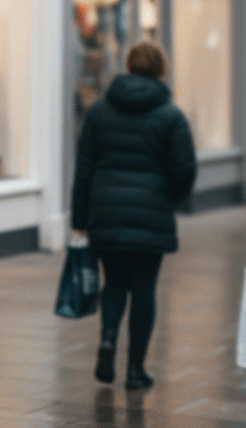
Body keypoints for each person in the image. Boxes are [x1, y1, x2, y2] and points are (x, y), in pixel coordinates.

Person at [70, 41, 197, 390]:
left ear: (127, 66)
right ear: (161, 69)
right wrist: (169, 198)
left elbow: (83, 170)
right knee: (144, 288)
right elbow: (185, 170)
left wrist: (79, 220)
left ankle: (109, 339)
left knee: (114, 284)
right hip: (151, 216)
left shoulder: (99, 112)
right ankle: (136, 369)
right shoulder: (170, 115)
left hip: (106, 213)